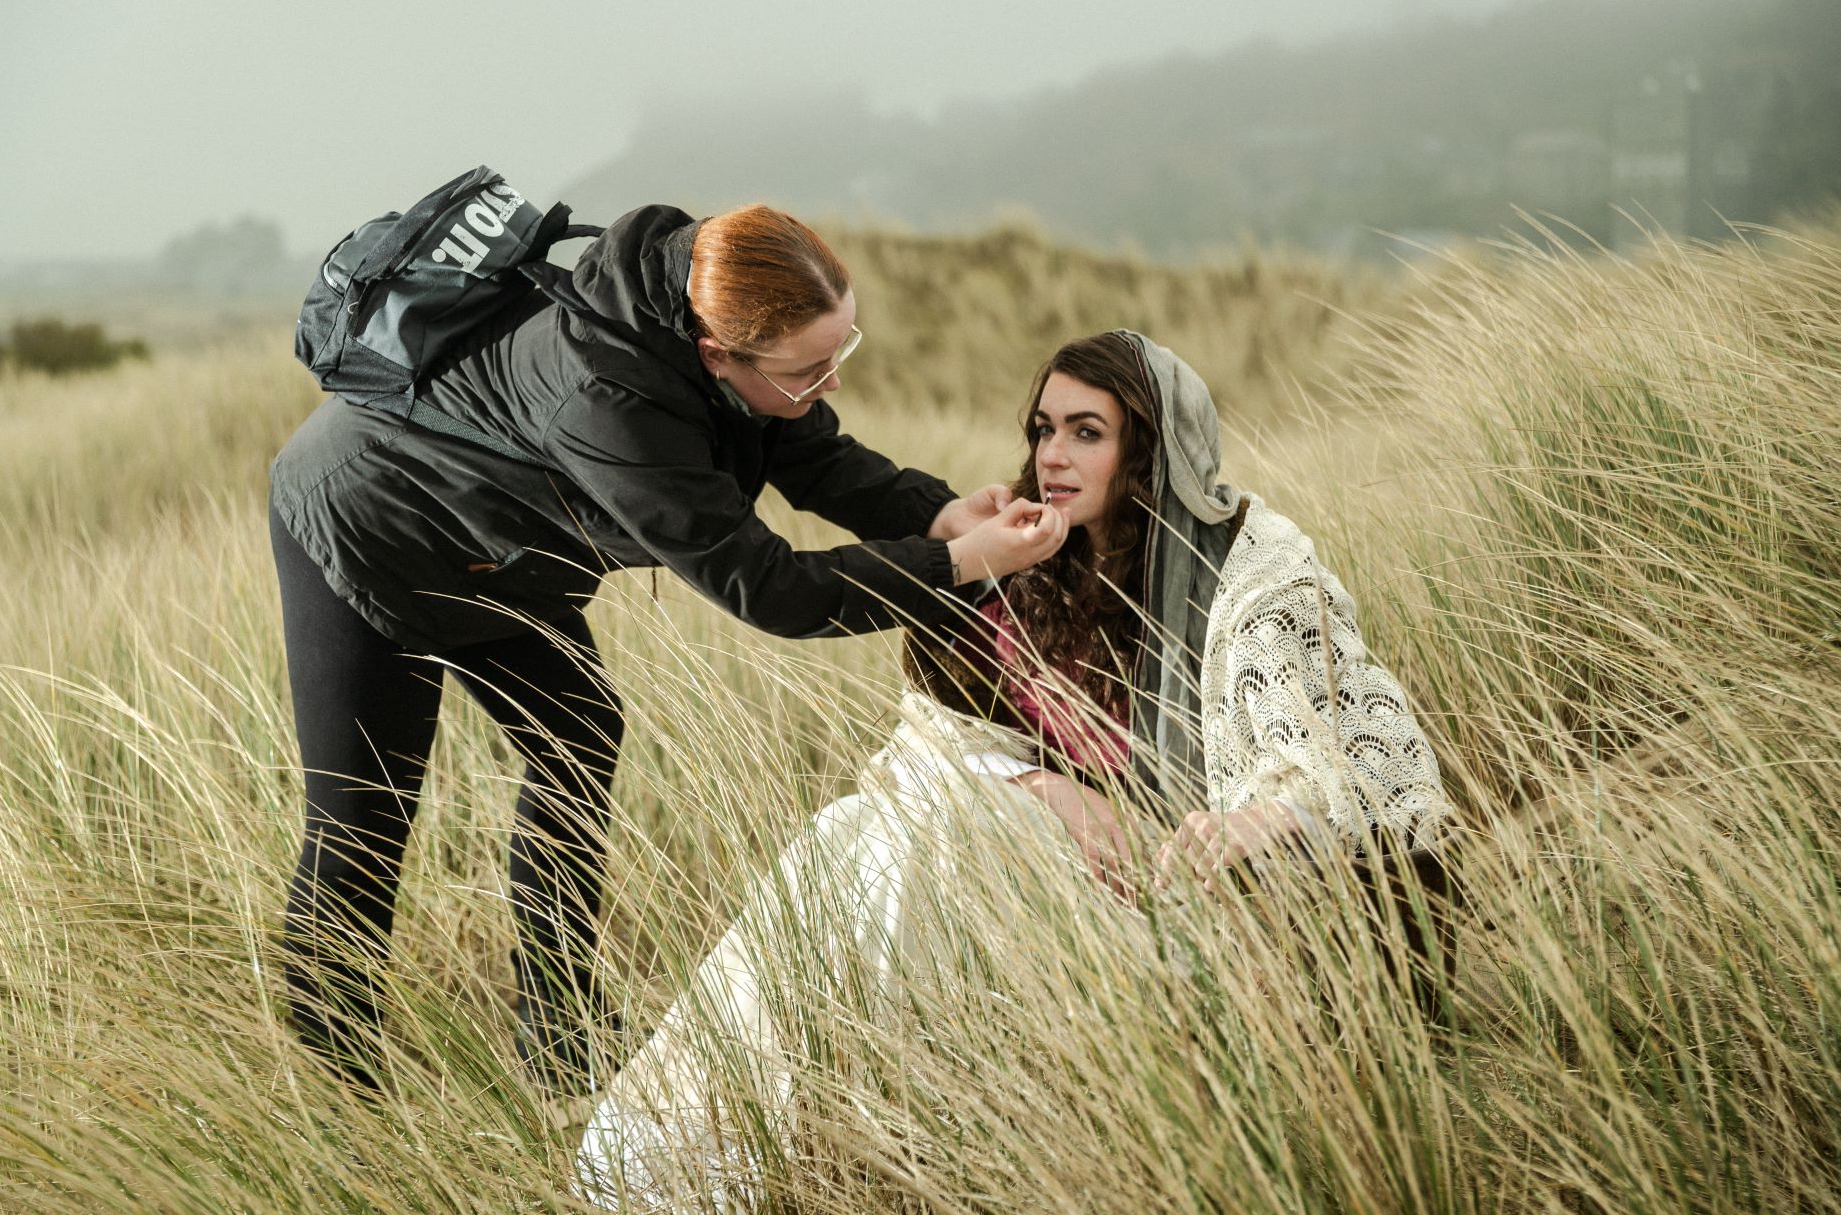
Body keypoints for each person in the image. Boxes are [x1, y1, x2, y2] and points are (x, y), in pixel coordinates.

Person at [573, 330, 1455, 1207]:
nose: (1054, 457)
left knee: (938, 839)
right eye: (1043, 429)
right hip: (1061, 875)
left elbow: (1335, 751)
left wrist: (1252, 818)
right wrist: (1041, 788)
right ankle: (709, 1144)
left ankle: (818, 1129)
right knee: (853, 832)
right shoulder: (1036, 561)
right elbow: (937, 739)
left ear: (1148, 445)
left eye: (1087, 432)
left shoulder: (1253, 577)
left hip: (1197, 897)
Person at [268, 202, 1068, 1094]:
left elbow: (811, 455)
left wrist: (935, 511)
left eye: (843, 349)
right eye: (814, 367)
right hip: (363, 536)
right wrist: (956, 563)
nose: (832, 381)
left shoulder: (713, 300)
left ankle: (564, 1036)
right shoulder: (609, 406)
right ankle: (339, 1101)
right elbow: (770, 589)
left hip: (502, 549)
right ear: (718, 354)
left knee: (580, 730)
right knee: (364, 820)